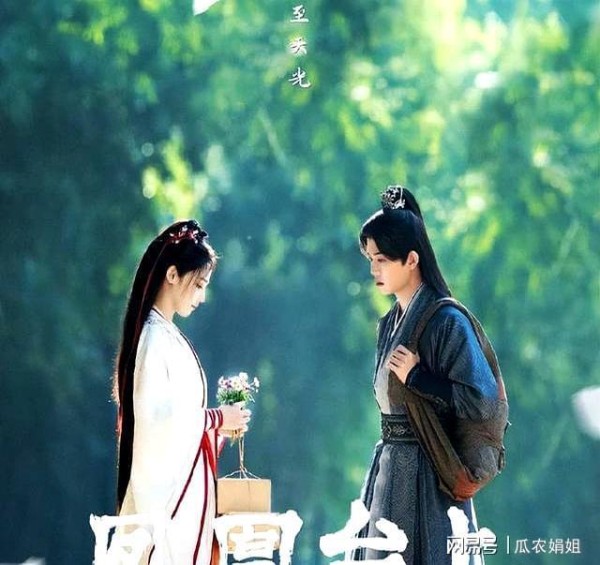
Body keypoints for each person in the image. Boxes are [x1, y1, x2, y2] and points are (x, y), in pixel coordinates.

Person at [355, 186, 499, 564]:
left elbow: (482, 400)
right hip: (390, 469)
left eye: (382, 259)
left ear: (412, 260)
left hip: (431, 477)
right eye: (370, 259)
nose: (373, 270)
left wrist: (420, 378)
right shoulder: (389, 324)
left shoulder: (447, 321)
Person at [113, 219, 250, 564]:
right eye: (199, 284)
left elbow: (181, 422)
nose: (202, 297)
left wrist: (220, 427)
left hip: (187, 494)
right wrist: (216, 418)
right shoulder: (154, 338)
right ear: (172, 274)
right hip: (169, 501)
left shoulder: (166, 335)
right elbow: (157, 420)